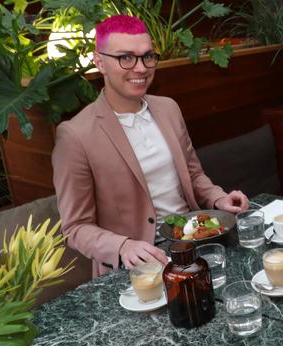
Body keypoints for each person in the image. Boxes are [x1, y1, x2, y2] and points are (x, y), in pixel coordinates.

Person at [52, 15, 249, 277]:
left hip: (193, 244)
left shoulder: (168, 108)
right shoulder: (75, 135)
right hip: (135, 266)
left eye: (147, 56)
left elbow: (193, 174)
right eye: (126, 58)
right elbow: (75, 228)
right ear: (99, 61)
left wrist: (218, 198)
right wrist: (122, 246)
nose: (141, 68)